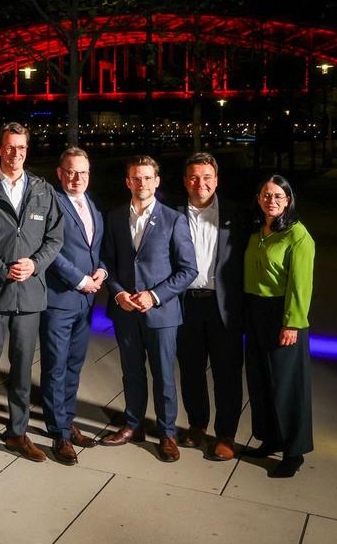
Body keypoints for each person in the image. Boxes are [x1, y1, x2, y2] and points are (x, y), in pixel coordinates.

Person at [0, 123, 63, 464]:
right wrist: (2, 268)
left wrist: (34, 265)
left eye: (21, 147)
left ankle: (17, 432)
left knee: (21, 369)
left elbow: (54, 238)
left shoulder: (43, 191)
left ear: (26, 150)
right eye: (10, 147)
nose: (15, 153)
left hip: (30, 294)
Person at [99, 156, 197, 463]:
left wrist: (154, 296)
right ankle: (134, 425)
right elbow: (107, 264)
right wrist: (118, 295)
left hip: (161, 313)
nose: (142, 183)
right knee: (131, 372)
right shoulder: (113, 218)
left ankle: (167, 433)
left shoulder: (173, 220)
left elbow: (187, 269)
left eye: (147, 178)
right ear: (128, 182)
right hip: (126, 310)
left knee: (164, 375)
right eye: (136, 178)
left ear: (157, 181)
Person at [241, 175, 315, 478]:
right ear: (259, 198)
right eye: (266, 195)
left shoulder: (298, 237)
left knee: (287, 385)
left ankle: (294, 451)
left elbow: (301, 286)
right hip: (255, 310)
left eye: (278, 196)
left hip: (283, 315)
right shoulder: (258, 231)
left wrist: (293, 323)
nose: (271, 201)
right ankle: (269, 438)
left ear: (288, 200)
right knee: (260, 380)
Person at [174, 153, 247, 461]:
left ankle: (227, 434)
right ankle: (197, 425)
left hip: (223, 306)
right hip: (186, 303)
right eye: (193, 177)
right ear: (184, 180)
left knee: (227, 372)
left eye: (206, 177)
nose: (200, 183)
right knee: (190, 370)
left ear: (216, 180)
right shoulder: (171, 212)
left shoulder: (237, 213)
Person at [41, 147, 106, 465]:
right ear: (60, 173)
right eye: (71, 171)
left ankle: (67, 420)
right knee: (55, 366)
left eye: (83, 172)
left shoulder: (92, 205)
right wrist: (80, 280)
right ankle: (58, 434)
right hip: (60, 299)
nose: (77, 177)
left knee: (74, 365)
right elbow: (49, 250)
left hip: (86, 301)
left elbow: (97, 249)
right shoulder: (52, 203)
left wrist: (103, 270)